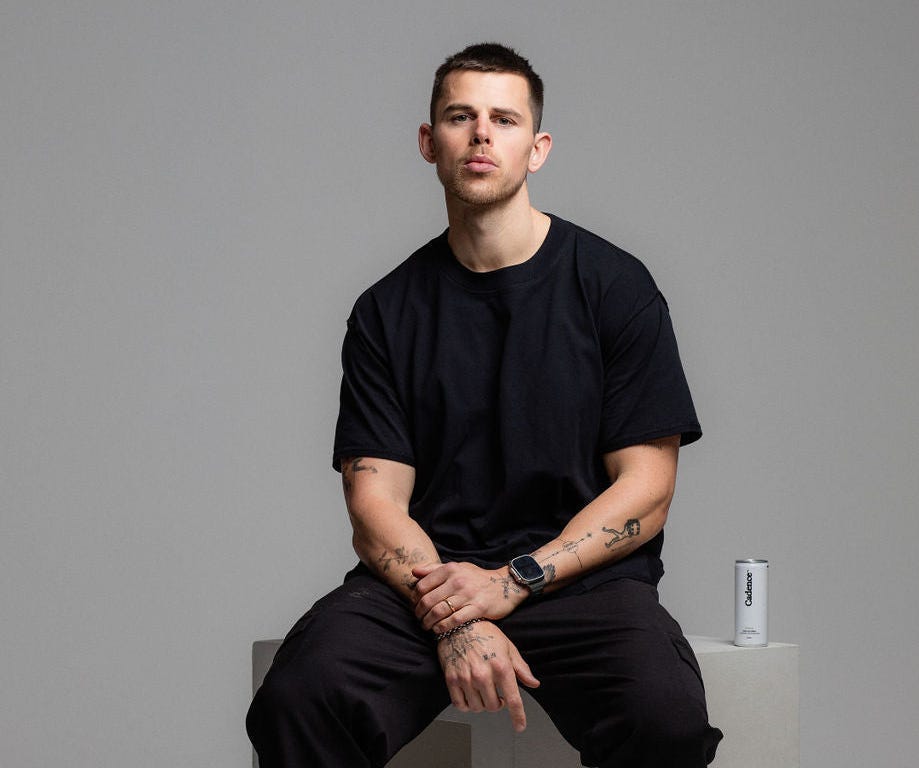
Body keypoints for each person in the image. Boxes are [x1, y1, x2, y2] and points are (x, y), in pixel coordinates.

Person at [246, 42, 723, 768]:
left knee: (665, 720)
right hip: (427, 580)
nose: (479, 134)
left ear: (537, 149)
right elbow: (374, 503)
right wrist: (453, 618)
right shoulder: (386, 311)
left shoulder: (615, 288)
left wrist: (512, 581)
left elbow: (647, 491)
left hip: (579, 583)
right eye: (459, 116)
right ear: (427, 142)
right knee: (299, 699)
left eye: (503, 119)